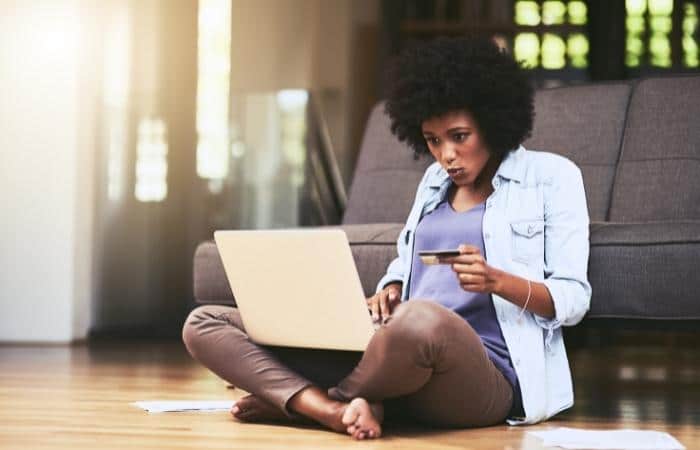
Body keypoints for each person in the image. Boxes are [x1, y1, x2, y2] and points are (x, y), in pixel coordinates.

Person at [182, 36, 591, 440]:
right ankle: (331, 409)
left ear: (493, 122)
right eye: (433, 140)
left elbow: (573, 299)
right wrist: (391, 288)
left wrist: (497, 281)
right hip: (393, 356)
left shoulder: (552, 178)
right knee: (205, 322)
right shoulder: (434, 183)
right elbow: (409, 262)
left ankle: (306, 400)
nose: (446, 155)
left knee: (421, 319)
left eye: (459, 136)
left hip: (484, 375)